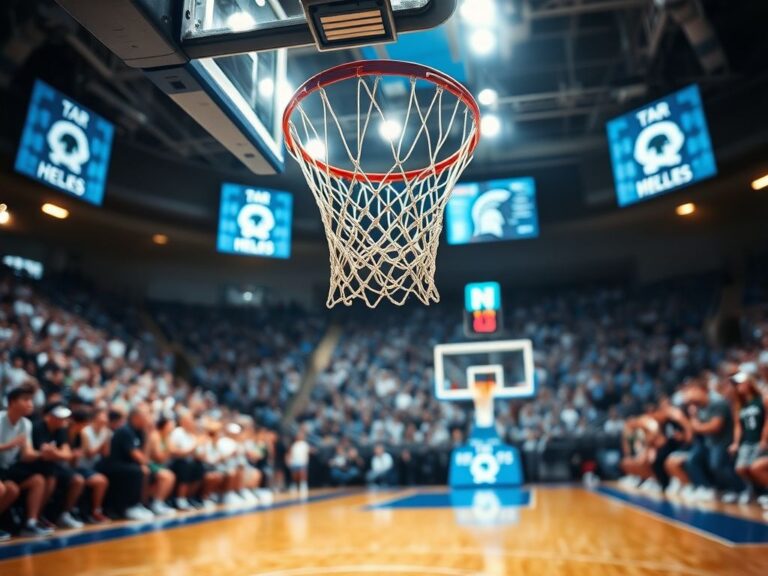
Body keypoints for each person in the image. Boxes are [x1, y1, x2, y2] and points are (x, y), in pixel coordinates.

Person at [0, 385, 53, 536]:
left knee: (37, 480)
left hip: (7, 469)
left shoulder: (26, 424)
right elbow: (13, 446)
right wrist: (9, 445)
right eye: (25, 400)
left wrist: (42, 453)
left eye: (31, 400)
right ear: (12, 402)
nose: (30, 403)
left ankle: (30, 523)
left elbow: (26, 454)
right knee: (4, 489)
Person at [682, 380, 743, 502]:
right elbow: (693, 429)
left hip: (723, 442)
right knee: (693, 460)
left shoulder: (717, 402)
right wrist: (694, 418)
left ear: (702, 390)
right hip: (710, 443)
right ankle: (708, 489)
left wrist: (697, 425)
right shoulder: (699, 407)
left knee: (717, 465)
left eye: (692, 391)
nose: (688, 396)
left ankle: (740, 489)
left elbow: (714, 427)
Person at [97, 403, 154, 520]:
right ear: (136, 417)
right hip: (112, 465)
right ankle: (129, 507)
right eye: (147, 415)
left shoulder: (140, 431)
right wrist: (144, 462)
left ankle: (140, 504)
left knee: (144, 470)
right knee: (138, 471)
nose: (149, 419)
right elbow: (140, 458)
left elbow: (145, 458)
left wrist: (148, 435)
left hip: (127, 464)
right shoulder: (125, 431)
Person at [31, 403, 85, 528]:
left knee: (78, 480)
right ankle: (35, 518)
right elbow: (44, 454)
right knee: (49, 479)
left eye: (64, 418)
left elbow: (67, 454)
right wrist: (58, 453)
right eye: (59, 417)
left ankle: (64, 514)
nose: (63, 420)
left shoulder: (61, 430)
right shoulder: (38, 427)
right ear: (49, 416)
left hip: (52, 466)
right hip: (34, 465)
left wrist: (54, 453)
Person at [728, 373, 768, 505]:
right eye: (736, 384)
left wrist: (764, 438)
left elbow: (766, 420)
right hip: (747, 441)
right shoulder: (740, 405)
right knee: (740, 468)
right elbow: (738, 426)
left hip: (759, 440)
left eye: (740, 383)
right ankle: (753, 491)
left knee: (755, 468)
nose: (738, 386)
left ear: (749, 383)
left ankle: (763, 492)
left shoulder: (761, 400)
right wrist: (736, 443)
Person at [74, 408, 111, 523]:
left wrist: (106, 440)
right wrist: (103, 441)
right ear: (95, 417)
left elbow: (106, 453)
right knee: (101, 481)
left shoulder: (105, 432)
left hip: (94, 466)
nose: (105, 419)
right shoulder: (85, 431)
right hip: (81, 467)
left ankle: (103, 510)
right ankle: (96, 512)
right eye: (102, 416)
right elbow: (89, 454)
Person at [168, 411, 202, 510]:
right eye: (189, 421)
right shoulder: (177, 432)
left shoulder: (192, 435)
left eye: (192, 421)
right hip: (177, 462)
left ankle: (190, 497)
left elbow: (197, 454)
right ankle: (180, 498)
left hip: (188, 462)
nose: (192, 423)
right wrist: (193, 447)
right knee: (185, 465)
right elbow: (174, 452)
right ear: (183, 422)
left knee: (199, 466)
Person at [145, 416, 178, 516]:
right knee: (168, 476)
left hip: (159, 465)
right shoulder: (155, 436)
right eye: (170, 425)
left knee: (171, 475)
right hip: (150, 464)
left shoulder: (166, 437)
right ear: (164, 425)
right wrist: (169, 450)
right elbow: (159, 457)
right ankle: (157, 503)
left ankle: (159, 502)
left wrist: (169, 450)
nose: (172, 427)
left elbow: (173, 451)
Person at [287, 430, 310, 499]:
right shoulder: (294, 445)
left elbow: (307, 452)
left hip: (302, 462)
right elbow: (290, 453)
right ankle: (294, 485)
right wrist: (289, 460)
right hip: (295, 462)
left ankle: (303, 485)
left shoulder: (305, 444)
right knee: (295, 475)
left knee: (303, 474)